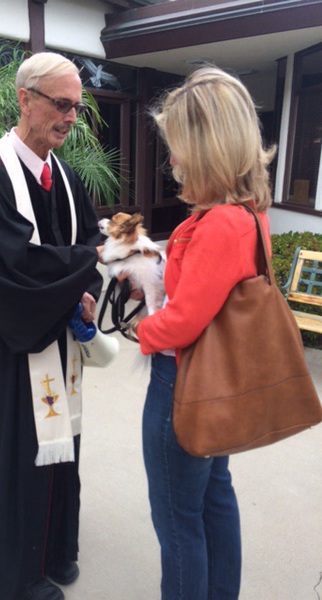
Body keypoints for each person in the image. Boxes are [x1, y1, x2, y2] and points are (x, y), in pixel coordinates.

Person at [0, 52, 103, 600]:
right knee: (11, 458)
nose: (70, 118)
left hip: (55, 343)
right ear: (25, 99)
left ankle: (55, 550)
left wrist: (89, 284)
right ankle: (10, 575)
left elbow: (88, 242)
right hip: (3, 350)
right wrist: (86, 267)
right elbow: (6, 272)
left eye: (76, 108)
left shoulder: (62, 176)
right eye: (61, 105)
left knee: (61, 448)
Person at [133, 67, 276, 599]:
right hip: (216, 382)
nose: (172, 159)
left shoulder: (219, 222)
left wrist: (143, 330)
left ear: (206, 146)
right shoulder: (248, 213)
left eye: (177, 146)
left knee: (177, 523)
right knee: (215, 498)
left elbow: (185, 320)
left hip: (183, 385)